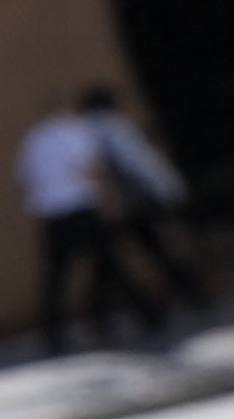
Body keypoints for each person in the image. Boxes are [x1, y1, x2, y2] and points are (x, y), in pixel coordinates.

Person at [24, 81, 201, 353]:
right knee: (111, 262)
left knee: (59, 277)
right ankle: (150, 312)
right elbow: (91, 170)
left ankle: (57, 332)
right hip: (81, 208)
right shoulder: (72, 135)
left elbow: (27, 178)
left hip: (51, 214)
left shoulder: (34, 140)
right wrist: (109, 201)